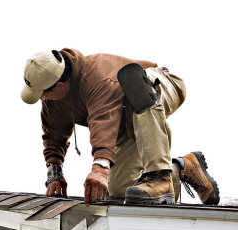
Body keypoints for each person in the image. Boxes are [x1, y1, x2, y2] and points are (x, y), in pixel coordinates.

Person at [20, 49, 219, 206]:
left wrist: (100, 168)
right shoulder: (52, 101)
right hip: (128, 126)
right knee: (124, 191)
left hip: (156, 86)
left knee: (138, 86)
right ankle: (184, 168)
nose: (42, 97)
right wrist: (55, 175)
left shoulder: (95, 77)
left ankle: (160, 177)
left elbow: (103, 120)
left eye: (43, 92)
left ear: (60, 84)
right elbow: (53, 135)